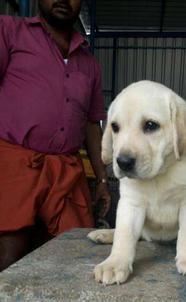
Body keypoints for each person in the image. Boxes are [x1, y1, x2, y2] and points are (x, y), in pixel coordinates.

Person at [0, 0, 111, 271]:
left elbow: (91, 124)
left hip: (66, 171)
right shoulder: (10, 31)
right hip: (14, 163)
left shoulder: (89, 63)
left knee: (75, 256)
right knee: (8, 256)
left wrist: (103, 179)